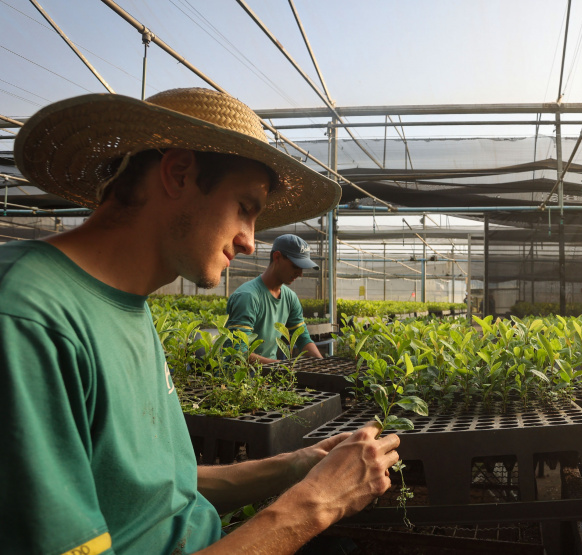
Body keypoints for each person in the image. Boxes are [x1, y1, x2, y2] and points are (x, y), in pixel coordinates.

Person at [0, 87, 398, 554]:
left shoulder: (126, 302)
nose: (250, 241)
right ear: (179, 173)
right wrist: (316, 503)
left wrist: (297, 465)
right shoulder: (28, 316)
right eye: (245, 208)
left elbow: (159, 491)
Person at [227, 234, 322, 363]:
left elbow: (302, 338)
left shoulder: (290, 298)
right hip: (236, 380)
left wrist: (322, 364)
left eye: (302, 268)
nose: (300, 273)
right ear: (277, 257)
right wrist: (284, 368)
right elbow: (238, 353)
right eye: (295, 266)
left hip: (267, 377)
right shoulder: (248, 296)